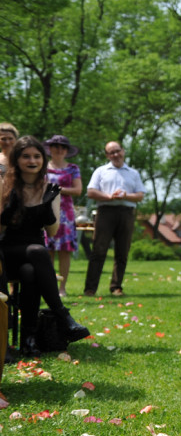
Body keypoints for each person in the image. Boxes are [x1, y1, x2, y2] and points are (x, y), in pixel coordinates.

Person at [0, 137, 90, 356]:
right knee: (38, 251)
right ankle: (62, 316)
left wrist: (47, 209)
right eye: (26, 156)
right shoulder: (4, 184)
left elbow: (52, 231)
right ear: (17, 159)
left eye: (37, 156)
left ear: (43, 159)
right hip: (6, 253)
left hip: (33, 258)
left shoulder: (49, 188)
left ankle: (28, 340)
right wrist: (9, 209)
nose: (32, 161)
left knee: (30, 272)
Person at [83, 141, 145, 297]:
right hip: (105, 212)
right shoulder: (101, 171)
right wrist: (109, 196)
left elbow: (140, 195)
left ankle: (116, 287)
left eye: (117, 151)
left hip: (126, 213)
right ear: (107, 155)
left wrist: (125, 195)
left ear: (123, 151)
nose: (115, 154)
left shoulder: (133, 173)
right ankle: (90, 288)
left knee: (122, 251)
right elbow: (91, 192)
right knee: (98, 250)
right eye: (111, 152)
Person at [44, 135, 82, 297]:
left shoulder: (73, 168)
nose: (59, 150)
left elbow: (78, 190)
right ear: (50, 148)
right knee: (47, 251)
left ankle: (62, 288)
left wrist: (56, 189)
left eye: (63, 147)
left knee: (65, 251)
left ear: (67, 151)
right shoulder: (42, 166)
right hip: (45, 211)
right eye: (56, 146)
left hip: (66, 214)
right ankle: (49, 287)